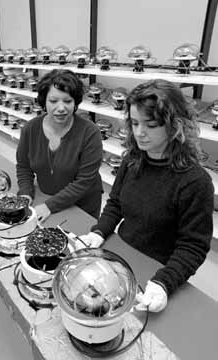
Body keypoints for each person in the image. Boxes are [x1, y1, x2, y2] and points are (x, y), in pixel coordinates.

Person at [80, 79, 214, 312]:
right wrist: (100, 231)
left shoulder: (195, 182)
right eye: (134, 123)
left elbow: (193, 246)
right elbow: (115, 204)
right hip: (119, 253)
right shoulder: (132, 160)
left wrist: (164, 283)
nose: (139, 133)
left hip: (158, 270)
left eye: (150, 125)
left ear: (175, 125)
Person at [16, 69, 103, 222]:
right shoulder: (30, 129)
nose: (61, 108)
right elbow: (24, 167)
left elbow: (84, 181)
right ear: (44, 101)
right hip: (45, 198)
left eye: (68, 101)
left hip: (82, 205)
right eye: (53, 101)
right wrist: (25, 193)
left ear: (75, 102)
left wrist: (49, 206)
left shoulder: (90, 132)